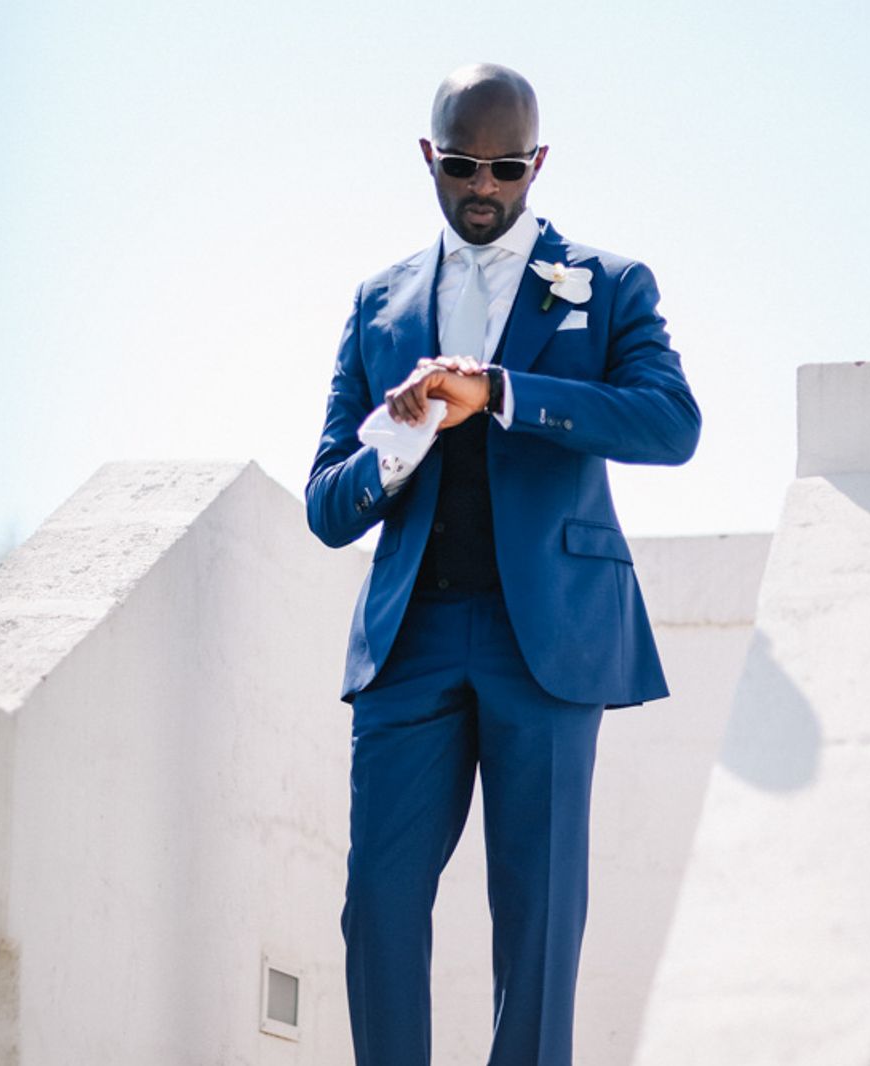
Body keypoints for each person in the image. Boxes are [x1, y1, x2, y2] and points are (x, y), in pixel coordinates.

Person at [305, 61, 700, 1066]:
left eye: (507, 167)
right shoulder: (378, 301)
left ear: (538, 161)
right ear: (429, 156)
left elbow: (671, 423)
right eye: (463, 166)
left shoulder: (608, 284)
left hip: (551, 638)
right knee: (378, 903)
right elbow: (326, 504)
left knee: (539, 920)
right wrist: (399, 444)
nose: (484, 186)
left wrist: (504, 392)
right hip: (411, 642)